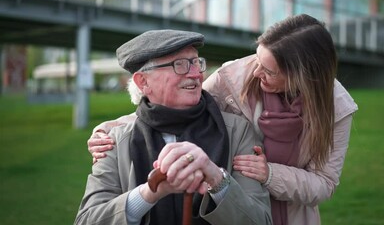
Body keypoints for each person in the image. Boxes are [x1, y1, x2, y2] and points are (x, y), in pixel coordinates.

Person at [87, 14, 358, 225]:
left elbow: (324, 182)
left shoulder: (336, 106)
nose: (257, 72)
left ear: (301, 77)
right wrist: (115, 128)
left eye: (269, 70)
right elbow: (176, 101)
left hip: (287, 212)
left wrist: (269, 174)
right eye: (257, 60)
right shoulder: (235, 77)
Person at [75, 29, 272, 225]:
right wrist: (150, 193)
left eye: (196, 62)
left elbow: (261, 220)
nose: (196, 74)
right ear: (143, 81)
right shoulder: (112, 141)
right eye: (180, 65)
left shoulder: (238, 130)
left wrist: (216, 178)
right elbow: (86, 220)